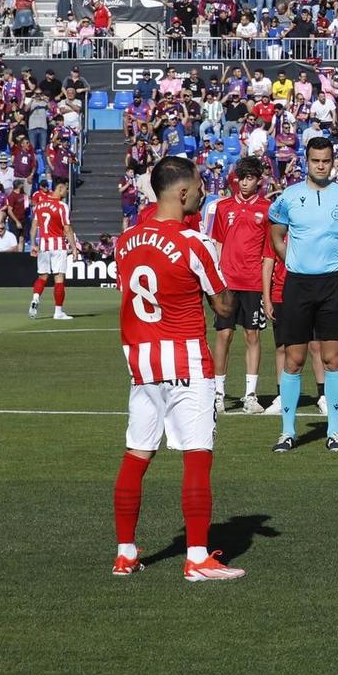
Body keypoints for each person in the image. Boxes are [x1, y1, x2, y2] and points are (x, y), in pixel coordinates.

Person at [110, 154, 243, 581]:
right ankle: (198, 557)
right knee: (197, 456)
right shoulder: (195, 242)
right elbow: (223, 305)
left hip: (142, 362)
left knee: (136, 454)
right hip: (186, 361)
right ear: (182, 192)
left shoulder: (125, 240)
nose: (204, 192)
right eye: (200, 186)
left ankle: (125, 553)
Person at [266, 137, 338, 452]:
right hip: (297, 285)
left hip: (332, 285)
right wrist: (295, 263)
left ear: (333, 161)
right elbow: (277, 237)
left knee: (332, 358)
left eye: (326, 160)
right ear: (306, 161)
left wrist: (336, 267)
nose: (320, 165)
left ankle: (334, 432)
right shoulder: (288, 198)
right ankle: (288, 431)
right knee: (293, 360)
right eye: (315, 160)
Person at [207, 157, 270, 413]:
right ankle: (218, 395)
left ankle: (250, 396)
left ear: (258, 180)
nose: (244, 183)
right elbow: (218, 244)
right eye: (241, 178)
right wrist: (216, 281)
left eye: (250, 178)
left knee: (252, 335)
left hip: (253, 282)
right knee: (224, 335)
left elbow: (269, 251)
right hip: (228, 282)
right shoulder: (223, 207)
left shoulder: (268, 209)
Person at [27, 180, 73, 320]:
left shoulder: (40, 205)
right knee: (59, 278)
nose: (66, 193)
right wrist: (74, 249)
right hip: (58, 245)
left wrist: (33, 244)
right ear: (59, 189)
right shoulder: (61, 206)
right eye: (65, 190)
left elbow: (34, 226)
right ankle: (58, 312)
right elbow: (67, 228)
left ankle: (35, 298)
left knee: (42, 276)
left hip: (43, 245)